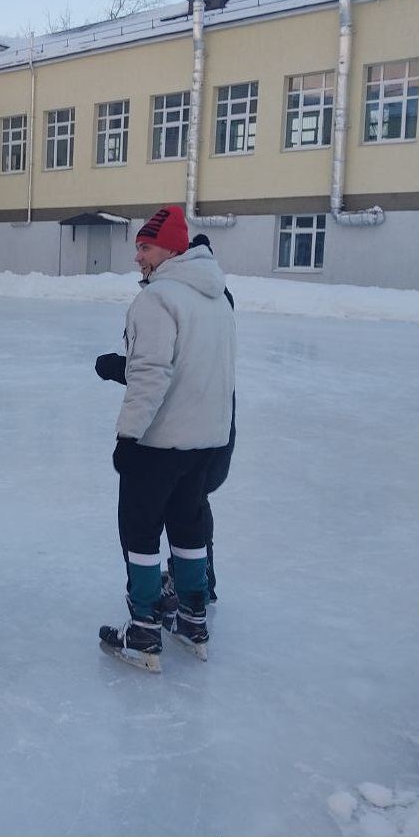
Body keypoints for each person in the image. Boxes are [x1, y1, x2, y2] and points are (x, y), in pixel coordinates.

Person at [97, 206, 235, 672]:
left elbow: (152, 375)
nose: (138, 256)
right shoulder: (216, 297)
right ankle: (193, 619)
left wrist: (128, 437)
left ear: (172, 248)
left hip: (159, 444)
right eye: (137, 246)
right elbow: (204, 371)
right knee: (189, 529)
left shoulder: (158, 299)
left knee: (139, 533)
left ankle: (142, 633)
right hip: (206, 441)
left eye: (146, 246)